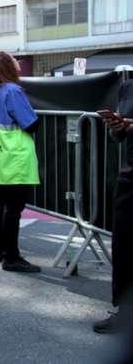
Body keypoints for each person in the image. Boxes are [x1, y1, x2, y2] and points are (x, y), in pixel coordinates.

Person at [0, 52, 41, 273]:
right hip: (14, 156)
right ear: (9, 67)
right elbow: (31, 124)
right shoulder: (12, 91)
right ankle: (12, 256)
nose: (18, 64)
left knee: (1, 202)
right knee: (14, 208)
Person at [94, 78, 133, 333]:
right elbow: (118, 137)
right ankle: (125, 311)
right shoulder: (127, 86)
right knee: (125, 247)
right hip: (130, 176)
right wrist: (116, 126)